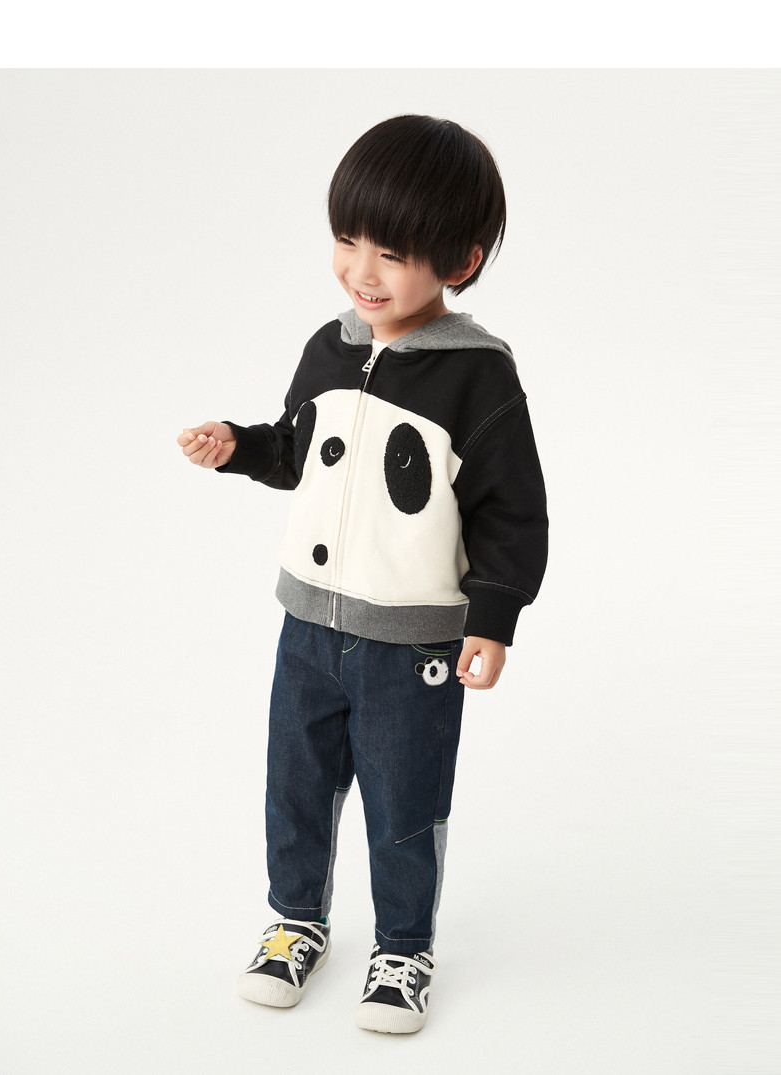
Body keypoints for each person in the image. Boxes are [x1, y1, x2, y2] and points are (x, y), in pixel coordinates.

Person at [177, 114, 548, 1034]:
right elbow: (297, 449)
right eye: (348, 239)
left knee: (404, 798)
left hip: (413, 645)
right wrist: (239, 447)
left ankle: (404, 946)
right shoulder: (329, 346)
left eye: (392, 252)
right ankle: (295, 919)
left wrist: (492, 619)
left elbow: (512, 511)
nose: (362, 271)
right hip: (307, 626)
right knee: (295, 781)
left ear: (459, 261)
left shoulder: (479, 377)